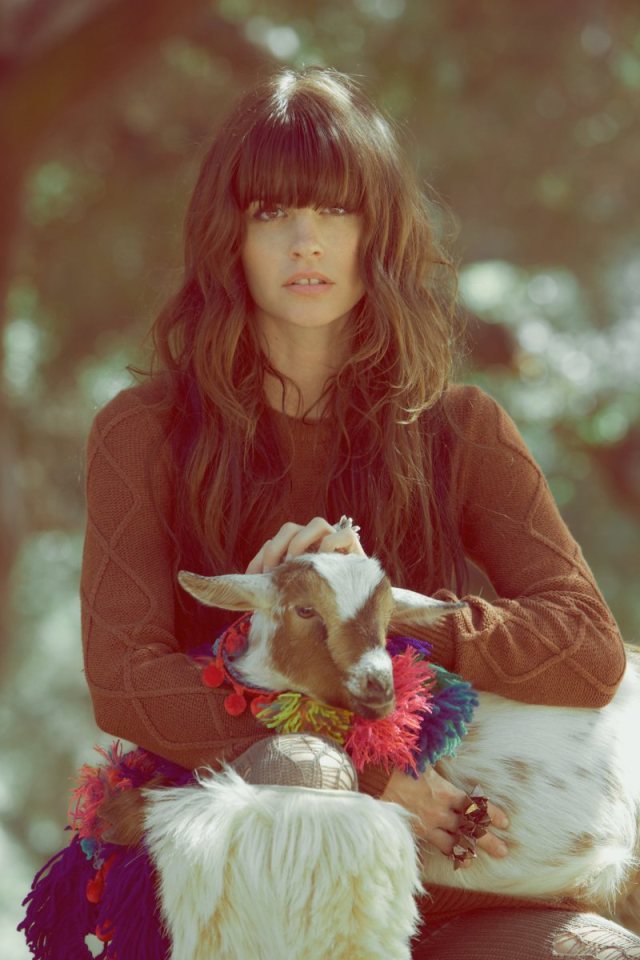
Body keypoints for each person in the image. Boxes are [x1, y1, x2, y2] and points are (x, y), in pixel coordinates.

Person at [80, 66, 639, 958]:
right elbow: (125, 679)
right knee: (305, 777)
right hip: (251, 868)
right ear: (230, 237)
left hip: (457, 880)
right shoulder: (142, 433)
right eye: (271, 212)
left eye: (335, 210)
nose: (306, 241)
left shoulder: (462, 429)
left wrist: (378, 611)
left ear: (376, 228)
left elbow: (589, 650)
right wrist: (360, 759)